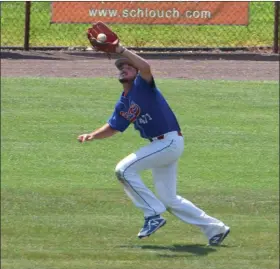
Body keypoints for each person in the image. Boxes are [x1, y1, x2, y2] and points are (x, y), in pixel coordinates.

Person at [77, 44, 230, 246]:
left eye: (128, 67)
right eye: (120, 67)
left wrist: (120, 49)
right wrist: (92, 135)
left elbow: (146, 66)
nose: (123, 68)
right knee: (170, 199)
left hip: (168, 141)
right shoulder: (123, 103)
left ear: (137, 72)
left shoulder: (143, 85)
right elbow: (114, 127)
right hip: (163, 146)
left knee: (123, 170)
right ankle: (215, 229)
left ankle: (153, 214)